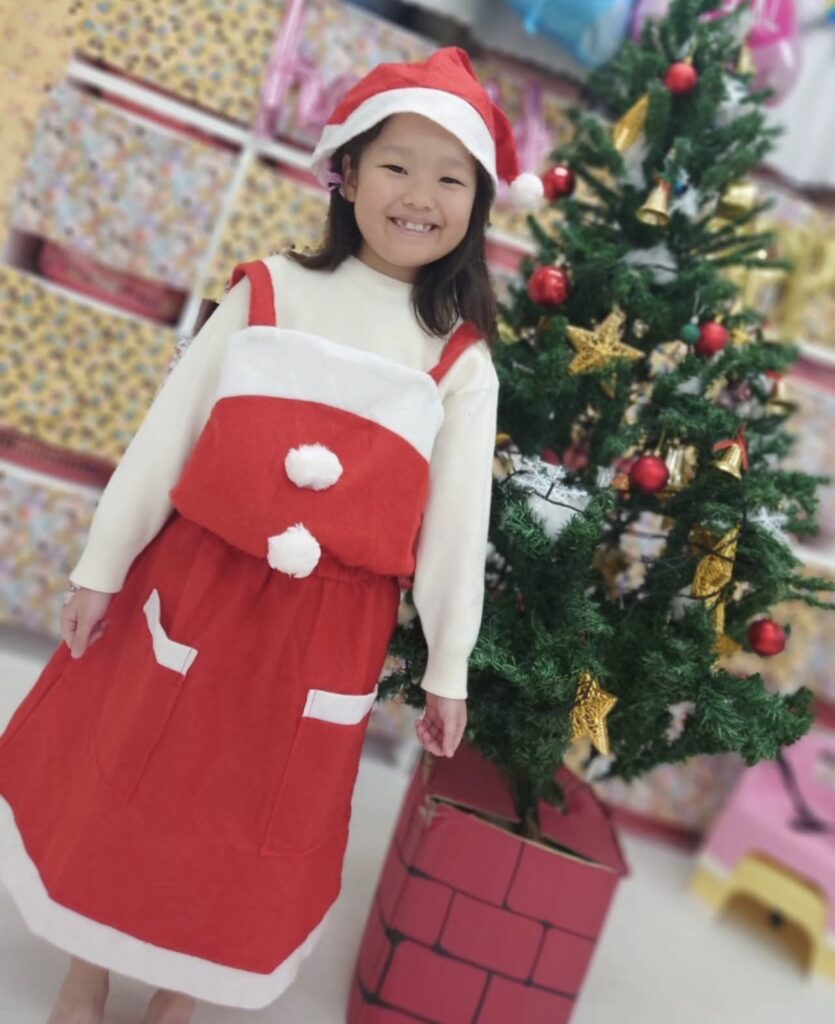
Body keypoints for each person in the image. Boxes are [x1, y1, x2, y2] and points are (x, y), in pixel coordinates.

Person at [0, 46, 541, 1024]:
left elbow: (456, 528)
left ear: (476, 206)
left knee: (252, 816)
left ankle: (182, 990)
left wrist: (448, 667)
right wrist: (100, 564)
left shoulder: (462, 360)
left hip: (327, 634)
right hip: (196, 584)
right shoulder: (270, 290)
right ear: (348, 174)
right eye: (397, 165)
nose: (419, 195)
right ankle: (88, 969)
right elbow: (168, 436)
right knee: (132, 778)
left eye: (449, 178)